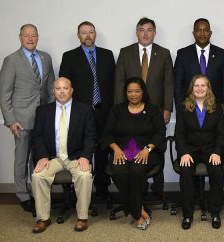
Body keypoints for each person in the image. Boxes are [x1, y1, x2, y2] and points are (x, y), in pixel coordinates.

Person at [0, 24, 55, 213]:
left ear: (38, 37)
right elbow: (4, 93)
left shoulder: (46, 58)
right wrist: (10, 120)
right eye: (26, 36)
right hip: (21, 119)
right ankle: (23, 195)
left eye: (33, 36)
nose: (30, 39)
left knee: (39, 157)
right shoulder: (12, 60)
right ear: (20, 37)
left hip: (43, 118)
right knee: (22, 158)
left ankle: (37, 192)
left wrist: (54, 113)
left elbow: (49, 89)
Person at [114, 17, 173, 196]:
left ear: (154, 33)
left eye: (149, 30)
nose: (145, 33)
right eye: (142, 30)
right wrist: (119, 110)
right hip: (130, 110)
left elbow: (168, 83)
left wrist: (167, 108)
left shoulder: (163, 53)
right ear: (137, 32)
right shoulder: (125, 52)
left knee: (156, 144)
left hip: (156, 109)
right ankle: (138, 185)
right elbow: (119, 82)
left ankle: (158, 186)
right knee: (132, 142)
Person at [59, 21, 116, 202]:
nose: (88, 36)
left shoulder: (107, 55)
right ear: (78, 35)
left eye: (91, 32)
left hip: (104, 111)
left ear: (95, 34)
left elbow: (114, 84)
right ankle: (81, 188)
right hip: (80, 112)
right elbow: (64, 87)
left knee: (103, 150)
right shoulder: (69, 56)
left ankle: (102, 187)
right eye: (84, 33)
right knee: (82, 150)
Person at [31, 77, 95, 233]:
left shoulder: (85, 110)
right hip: (52, 157)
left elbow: (90, 136)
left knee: (85, 176)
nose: (61, 91)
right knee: (37, 176)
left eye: (65, 88)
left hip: (76, 157)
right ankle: (43, 218)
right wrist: (42, 156)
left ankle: (82, 217)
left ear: (71, 90)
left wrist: (86, 156)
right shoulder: (43, 111)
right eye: (58, 88)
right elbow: (37, 137)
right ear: (53, 91)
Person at [103, 77, 166, 230]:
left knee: (137, 170)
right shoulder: (117, 110)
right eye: (130, 91)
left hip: (146, 152)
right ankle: (138, 209)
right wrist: (116, 149)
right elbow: (107, 133)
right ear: (125, 93)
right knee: (118, 171)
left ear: (143, 91)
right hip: (121, 152)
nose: (133, 94)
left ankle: (136, 214)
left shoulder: (153, 110)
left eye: (137, 91)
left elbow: (160, 133)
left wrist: (148, 149)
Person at [175, 75, 224, 230]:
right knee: (185, 172)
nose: (199, 88)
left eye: (203, 85)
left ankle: (215, 212)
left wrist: (217, 152)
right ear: (192, 88)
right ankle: (187, 215)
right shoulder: (184, 107)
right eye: (196, 85)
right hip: (190, 150)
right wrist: (183, 152)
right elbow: (179, 134)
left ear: (208, 88)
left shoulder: (217, 108)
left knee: (217, 170)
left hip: (211, 150)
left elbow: (220, 134)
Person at [174, 18, 224, 113]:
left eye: (205, 30)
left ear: (210, 33)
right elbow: (178, 85)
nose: (202, 33)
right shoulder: (182, 54)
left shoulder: (222, 54)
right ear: (193, 33)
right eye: (198, 30)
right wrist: (180, 110)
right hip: (190, 109)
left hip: (216, 109)